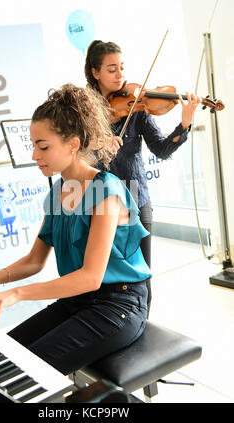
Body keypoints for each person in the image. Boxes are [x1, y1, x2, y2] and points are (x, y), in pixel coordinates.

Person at [0, 84, 152, 376]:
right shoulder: (58, 192)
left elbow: (91, 278)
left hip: (117, 305)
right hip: (77, 302)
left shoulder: (107, 190)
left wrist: (16, 294)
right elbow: (34, 261)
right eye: (33, 146)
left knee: (17, 373)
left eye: (43, 146)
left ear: (73, 144)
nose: (35, 155)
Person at [84, 40, 201, 314]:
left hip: (137, 197)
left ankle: (141, 321)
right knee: (105, 273)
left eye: (121, 67)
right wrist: (97, 144)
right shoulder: (85, 113)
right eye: (112, 69)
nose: (120, 74)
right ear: (95, 72)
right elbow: (77, 154)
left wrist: (184, 123)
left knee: (142, 271)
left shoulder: (138, 107)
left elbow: (161, 149)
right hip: (100, 201)